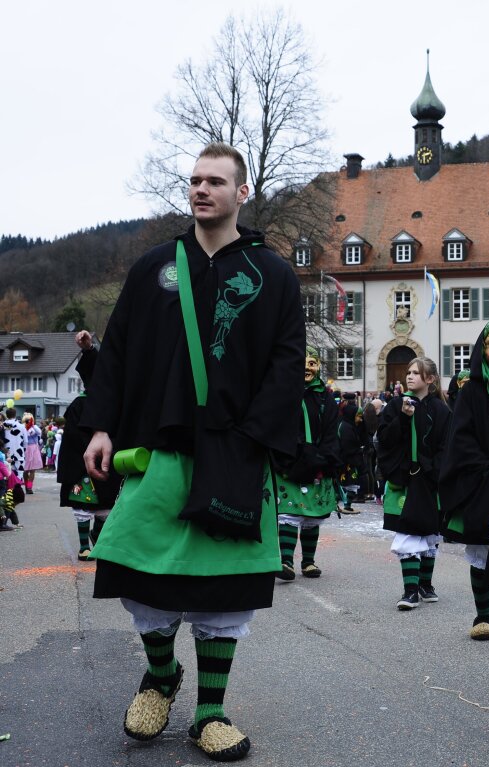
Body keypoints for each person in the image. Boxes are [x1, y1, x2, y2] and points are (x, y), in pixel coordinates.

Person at [81, 141, 305, 762]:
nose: (202, 189)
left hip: (236, 450)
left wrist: (255, 441)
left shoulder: (273, 274)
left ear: (243, 192)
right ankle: (160, 676)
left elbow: (287, 363)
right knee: (135, 567)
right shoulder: (155, 265)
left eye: (216, 181)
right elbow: (118, 351)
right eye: (195, 180)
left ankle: (210, 709)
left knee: (225, 584)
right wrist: (100, 426)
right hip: (160, 448)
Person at [439, 317, 489, 643]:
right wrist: (485, 469)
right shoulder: (472, 390)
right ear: (482, 349)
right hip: (483, 479)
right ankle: (483, 614)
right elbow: (460, 438)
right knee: (484, 551)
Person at [377, 357, 450, 610]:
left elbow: (447, 445)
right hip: (405, 478)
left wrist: (434, 470)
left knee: (430, 533)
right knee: (407, 532)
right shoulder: (395, 404)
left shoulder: (441, 410)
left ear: (429, 379)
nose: (409, 376)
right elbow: (384, 440)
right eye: (408, 372)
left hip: (430, 479)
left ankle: (425, 584)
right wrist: (403, 417)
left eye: (416, 373)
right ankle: (410, 591)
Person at [275, 349, 340, 580]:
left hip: (318, 463)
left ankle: (309, 562)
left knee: (312, 515)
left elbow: (332, 429)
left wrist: (326, 457)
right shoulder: (283, 392)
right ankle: (285, 561)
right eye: (302, 363)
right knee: (290, 511)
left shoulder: (325, 397)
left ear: (319, 365)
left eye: (312, 363)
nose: (307, 368)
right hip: (289, 461)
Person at [57, 331, 121, 560]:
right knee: (83, 505)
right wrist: (89, 349)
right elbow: (71, 443)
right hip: (81, 466)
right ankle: (84, 545)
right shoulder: (79, 405)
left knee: (105, 505)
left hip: (107, 463)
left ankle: (98, 537)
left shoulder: (116, 402)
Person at [21, 413, 43, 493]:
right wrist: (26, 427)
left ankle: (29, 487)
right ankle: (27, 486)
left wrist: (32, 425)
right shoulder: (22, 427)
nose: (29, 421)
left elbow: (39, 432)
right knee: (25, 470)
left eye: (30, 420)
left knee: (33, 470)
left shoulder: (34, 427)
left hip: (34, 449)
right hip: (26, 449)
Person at [3, 407, 26, 481]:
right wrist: (24, 451)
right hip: (19, 454)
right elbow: (26, 441)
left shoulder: (2, 426)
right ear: (15, 415)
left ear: (6, 415)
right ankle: (17, 490)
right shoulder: (21, 426)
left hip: (6, 454)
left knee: (7, 475)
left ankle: (9, 491)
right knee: (19, 475)